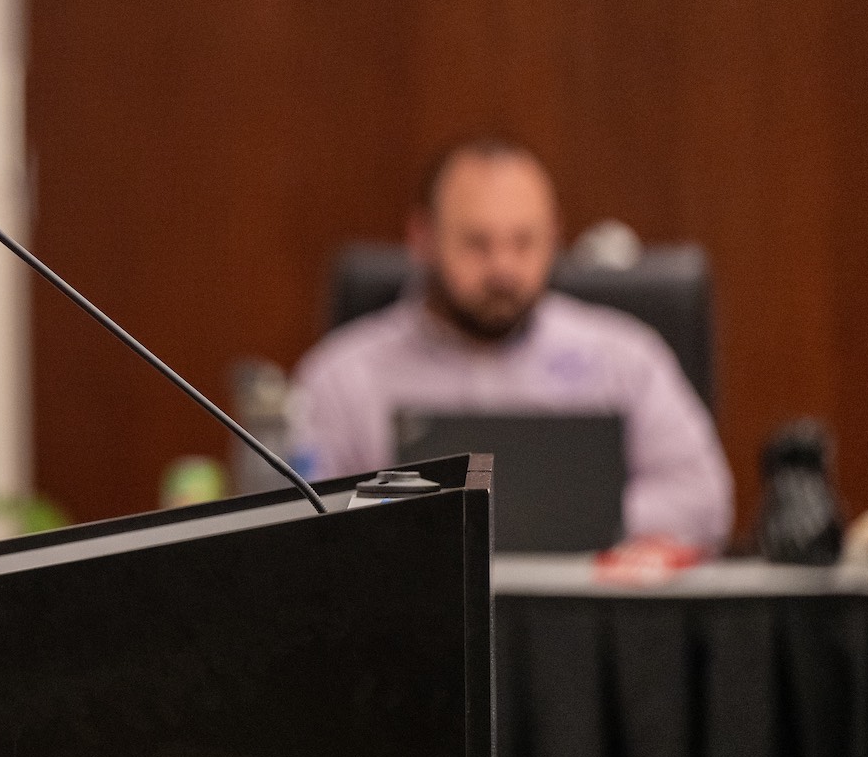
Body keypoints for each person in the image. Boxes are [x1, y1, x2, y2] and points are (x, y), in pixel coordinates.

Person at [291, 137, 732, 561]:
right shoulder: (341, 376)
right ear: (422, 237)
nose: (503, 268)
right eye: (477, 244)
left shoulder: (625, 359)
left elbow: (704, 499)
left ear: (556, 233)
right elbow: (299, 517)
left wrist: (564, 518)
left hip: (576, 625)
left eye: (524, 242)